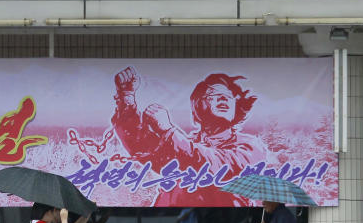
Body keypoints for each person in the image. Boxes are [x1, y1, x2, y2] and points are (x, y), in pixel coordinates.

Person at [111, 68, 267, 206]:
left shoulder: (250, 146)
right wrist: (126, 97)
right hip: (171, 221)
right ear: (198, 105)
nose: (223, 98)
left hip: (220, 222)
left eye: (229, 96)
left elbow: (216, 165)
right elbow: (140, 146)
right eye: (213, 95)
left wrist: (169, 130)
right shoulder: (182, 144)